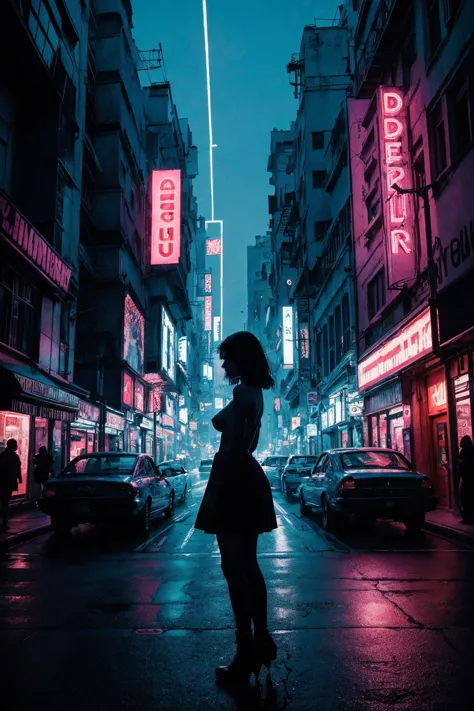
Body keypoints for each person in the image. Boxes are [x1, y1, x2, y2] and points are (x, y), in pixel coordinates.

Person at [195, 331, 278, 683]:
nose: (224, 363)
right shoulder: (254, 395)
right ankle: (261, 640)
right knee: (249, 567)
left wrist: (215, 492)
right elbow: (249, 442)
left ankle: (246, 652)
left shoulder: (241, 393)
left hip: (232, 477)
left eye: (228, 357)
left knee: (234, 569)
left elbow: (228, 446)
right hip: (248, 475)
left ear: (241, 359)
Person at [0, 439, 22, 531]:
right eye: (16, 445)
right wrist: (19, 478)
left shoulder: (2, 455)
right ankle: (3, 521)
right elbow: (17, 468)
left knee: (3, 501)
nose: (17, 446)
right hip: (8, 482)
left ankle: (3, 520)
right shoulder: (14, 456)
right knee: (5, 502)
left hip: (2, 482)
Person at [458, 435, 474, 523]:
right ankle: (469, 516)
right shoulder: (470, 451)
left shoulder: (463, 452)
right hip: (469, 479)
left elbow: (461, 464)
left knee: (465, 498)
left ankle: (467, 517)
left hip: (466, 479)